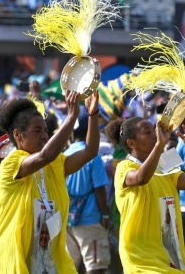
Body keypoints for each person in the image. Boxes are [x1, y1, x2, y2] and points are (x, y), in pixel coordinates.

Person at [0, 90, 100, 273]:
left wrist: (92, 115)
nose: (44, 136)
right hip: (14, 260)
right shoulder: (11, 163)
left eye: (46, 131)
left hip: (47, 259)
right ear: (18, 135)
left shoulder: (55, 163)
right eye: (37, 131)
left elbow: (90, 152)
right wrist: (72, 116)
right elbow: (46, 155)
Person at [104, 117, 185, 272]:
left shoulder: (165, 161)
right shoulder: (124, 166)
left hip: (168, 247)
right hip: (140, 252)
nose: (155, 134)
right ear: (131, 143)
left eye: (154, 129)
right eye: (148, 131)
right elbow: (141, 178)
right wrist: (160, 145)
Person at [64, 110, 111, 273]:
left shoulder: (63, 155)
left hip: (68, 219)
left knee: (70, 266)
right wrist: (104, 215)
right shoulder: (92, 155)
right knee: (95, 264)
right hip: (90, 218)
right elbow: (99, 188)